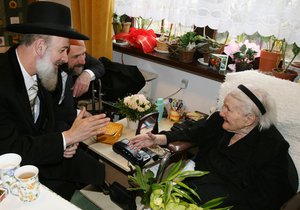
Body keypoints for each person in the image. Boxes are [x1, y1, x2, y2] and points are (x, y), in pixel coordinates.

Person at [0, 1, 110, 200]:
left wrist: (68, 140)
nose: (66, 60)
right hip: (10, 170)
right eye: (62, 50)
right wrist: (67, 137)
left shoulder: (42, 70)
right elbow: (11, 149)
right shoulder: (3, 81)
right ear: (40, 46)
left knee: (94, 170)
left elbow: (46, 117)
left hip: (39, 151)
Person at [129, 84, 295, 210]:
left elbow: (266, 200)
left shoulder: (272, 149)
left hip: (227, 203)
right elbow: (192, 133)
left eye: (228, 109)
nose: (221, 112)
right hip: (194, 184)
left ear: (249, 119)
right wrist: (158, 138)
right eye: (224, 105)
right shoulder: (220, 121)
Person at [52, 39, 105, 131]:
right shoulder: (46, 74)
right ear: (62, 55)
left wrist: (87, 75)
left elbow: (99, 66)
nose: (83, 61)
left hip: (67, 116)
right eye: (76, 56)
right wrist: (79, 114)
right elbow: (50, 111)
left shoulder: (79, 54)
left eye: (84, 54)